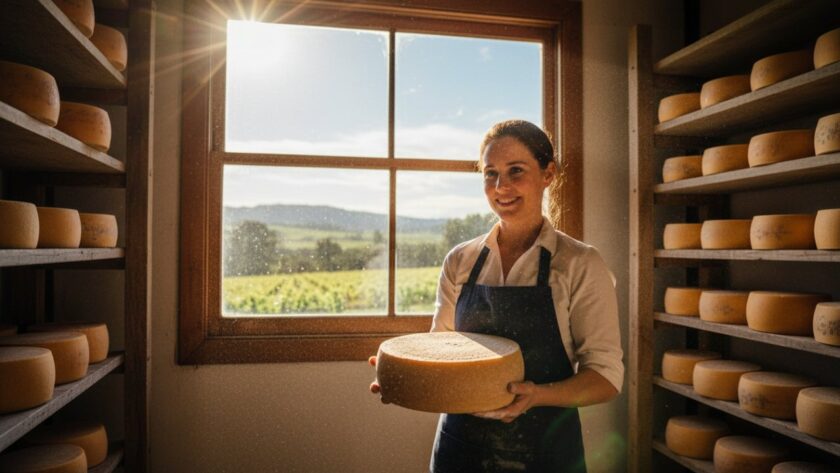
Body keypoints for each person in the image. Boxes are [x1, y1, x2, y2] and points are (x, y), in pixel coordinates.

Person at [370, 119, 623, 473]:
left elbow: (606, 379)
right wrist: (407, 376)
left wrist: (535, 395)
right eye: (490, 174)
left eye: (515, 171)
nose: (501, 187)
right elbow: (441, 346)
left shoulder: (580, 264)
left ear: (548, 174)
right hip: (459, 449)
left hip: (545, 452)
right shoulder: (460, 260)